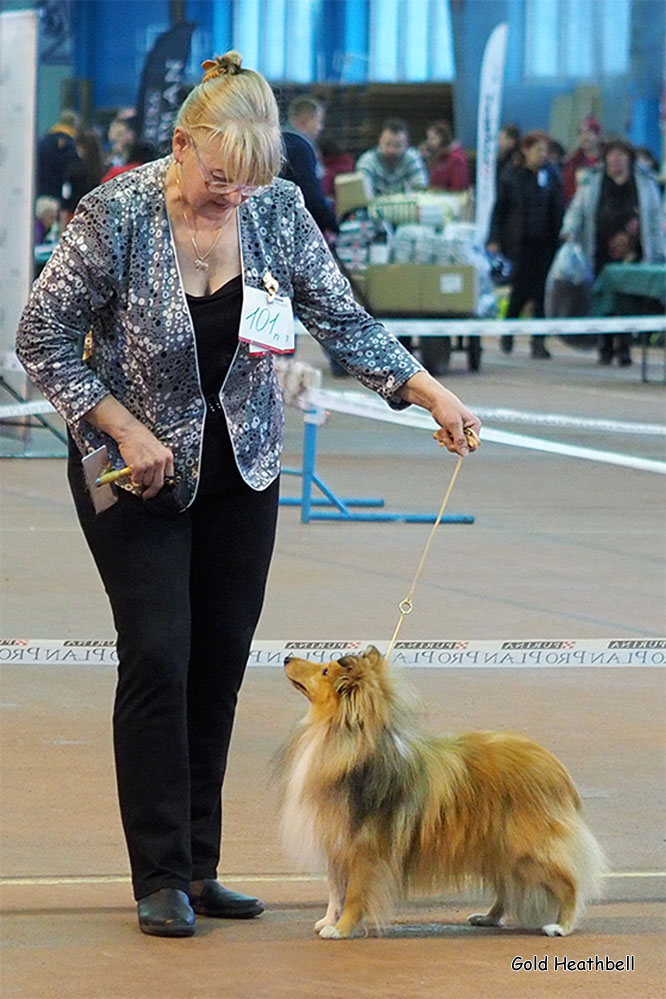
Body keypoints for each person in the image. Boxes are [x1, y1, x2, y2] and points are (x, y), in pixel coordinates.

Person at [16, 51, 481, 940]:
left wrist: (428, 391)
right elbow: (39, 335)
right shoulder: (114, 213)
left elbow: (340, 315)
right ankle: (157, 873)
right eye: (221, 178)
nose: (235, 197)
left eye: (253, 180)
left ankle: (198, 864)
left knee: (221, 661)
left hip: (245, 468)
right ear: (183, 146)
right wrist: (119, 422)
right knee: (159, 653)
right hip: (133, 471)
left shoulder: (273, 208)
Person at [560, 136, 665, 366]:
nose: (615, 160)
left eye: (620, 155)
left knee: (629, 301)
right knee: (603, 299)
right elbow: (577, 209)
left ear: (629, 158)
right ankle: (605, 344)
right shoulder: (593, 181)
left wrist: (660, 250)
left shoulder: (645, 183)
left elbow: (656, 219)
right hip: (599, 251)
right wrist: (569, 230)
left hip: (635, 254)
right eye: (611, 155)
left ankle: (625, 346)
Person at [487, 130, 564, 358]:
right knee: (519, 291)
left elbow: (558, 207)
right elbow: (499, 209)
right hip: (519, 243)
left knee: (541, 294)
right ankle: (508, 333)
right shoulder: (511, 175)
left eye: (545, 151)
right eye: (538, 150)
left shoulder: (552, 175)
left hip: (546, 243)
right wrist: (494, 238)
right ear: (526, 150)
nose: (542, 155)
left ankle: (538, 342)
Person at [280, 94, 338, 236]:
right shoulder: (300, 147)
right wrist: (331, 222)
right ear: (305, 121)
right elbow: (310, 194)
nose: (321, 128)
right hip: (294, 226)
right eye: (318, 122)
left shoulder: (276, 141)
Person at [355, 118, 428, 197]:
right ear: (380, 140)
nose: (392, 150)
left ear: (407, 144)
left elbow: (421, 191)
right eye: (387, 144)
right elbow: (364, 197)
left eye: (398, 146)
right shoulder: (367, 162)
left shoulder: (413, 158)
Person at [36, 109, 80, 199]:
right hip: (60, 189)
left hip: (41, 187)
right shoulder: (72, 143)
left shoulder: (44, 140)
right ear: (74, 125)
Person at [562, 115, 603, 205]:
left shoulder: (607, 161)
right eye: (582, 133)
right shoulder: (571, 163)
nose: (585, 136)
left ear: (598, 135)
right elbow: (567, 192)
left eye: (590, 132)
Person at [420, 120, 469, 191]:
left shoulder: (457, 159)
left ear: (443, 139)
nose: (429, 143)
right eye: (429, 139)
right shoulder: (438, 157)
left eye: (433, 139)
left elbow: (458, 188)